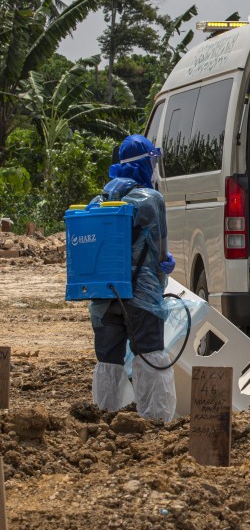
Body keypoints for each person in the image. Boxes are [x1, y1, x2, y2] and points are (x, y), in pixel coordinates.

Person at [90, 134, 177, 422]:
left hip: (103, 297)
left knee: (108, 361)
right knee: (150, 355)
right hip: (141, 299)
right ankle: (156, 421)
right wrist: (166, 264)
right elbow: (161, 254)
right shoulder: (151, 200)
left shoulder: (99, 201)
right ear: (144, 163)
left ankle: (105, 417)